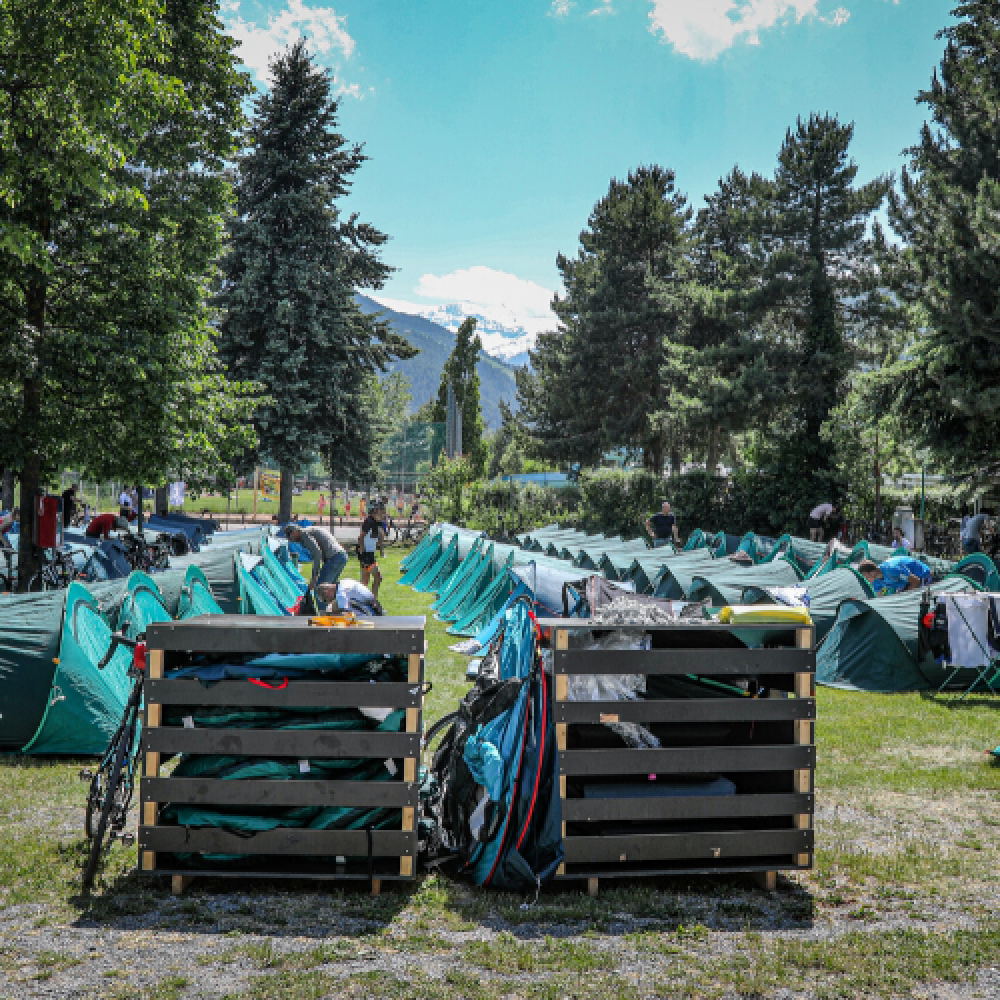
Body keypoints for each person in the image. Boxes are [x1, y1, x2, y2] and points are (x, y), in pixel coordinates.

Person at [284, 524, 347, 591]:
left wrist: (314, 578)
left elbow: (317, 554)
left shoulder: (304, 534)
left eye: (290, 537)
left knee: (320, 589)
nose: (292, 540)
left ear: (295, 531)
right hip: (341, 556)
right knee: (330, 590)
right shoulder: (310, 531)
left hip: (334, 557)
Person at [858, 556, 932, 597]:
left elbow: (916, 581)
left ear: (872, 573)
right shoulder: (875, 581)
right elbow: (878, 598)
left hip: (922, 575)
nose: (865, 580)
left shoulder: (891, 570)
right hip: (906, 582)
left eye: (865, 577)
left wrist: (904, 597)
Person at [358, 502, 386, 599]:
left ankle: (373, 601)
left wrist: (380, 546)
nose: (384, 514)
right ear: (376, 511)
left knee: (376, 578)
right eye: (382, 512)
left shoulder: (379, 522)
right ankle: (362, 601)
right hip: (366, 553)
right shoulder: (369, 521)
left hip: (371, 553)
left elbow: (380, 537)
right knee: (366, 580)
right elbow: (360, 537)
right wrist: (363, 552)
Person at [316, 578, 383, 616]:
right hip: (375, 607)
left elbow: (344, 615)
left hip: (372, 614)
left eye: (325, 600)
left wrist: (327, 615)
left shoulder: (341, 593)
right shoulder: (342, 583)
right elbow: (335, 605)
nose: (328, 602)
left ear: (326, 592)